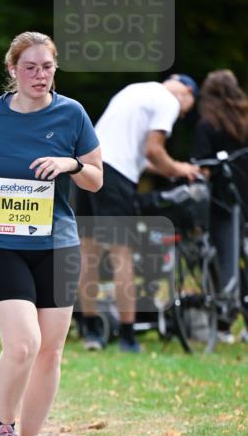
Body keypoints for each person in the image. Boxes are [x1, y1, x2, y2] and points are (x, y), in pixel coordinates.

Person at [0, 31, 102, 436]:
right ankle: (2, 427)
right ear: (13, 70)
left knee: (50, 352)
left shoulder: (72, 113)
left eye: (48, 67)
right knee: (23, 345)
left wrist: (70, 164)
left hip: (57, 244)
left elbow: (96, 177)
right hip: (1, 244)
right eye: (31, 67)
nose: (41, 75)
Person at [76, 74, 201, 352]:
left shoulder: (135, 91)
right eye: (186, 111)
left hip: (86, 168)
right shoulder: (169, 101)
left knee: (89, 253)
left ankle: (92, 331)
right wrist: (180, 170)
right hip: (115, 177)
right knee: (122, 253)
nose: (181, 115)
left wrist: (172, 166)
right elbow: (153, 150)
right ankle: (128, 337)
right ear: (186, 93)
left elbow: (141, 158)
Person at [193, 69, 248, 343]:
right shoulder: (244, 121)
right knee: (243, 257)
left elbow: (201, 166)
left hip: (222, 202)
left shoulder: (208, 125)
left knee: (224, 259)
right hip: (245, 197)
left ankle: (224, 322)